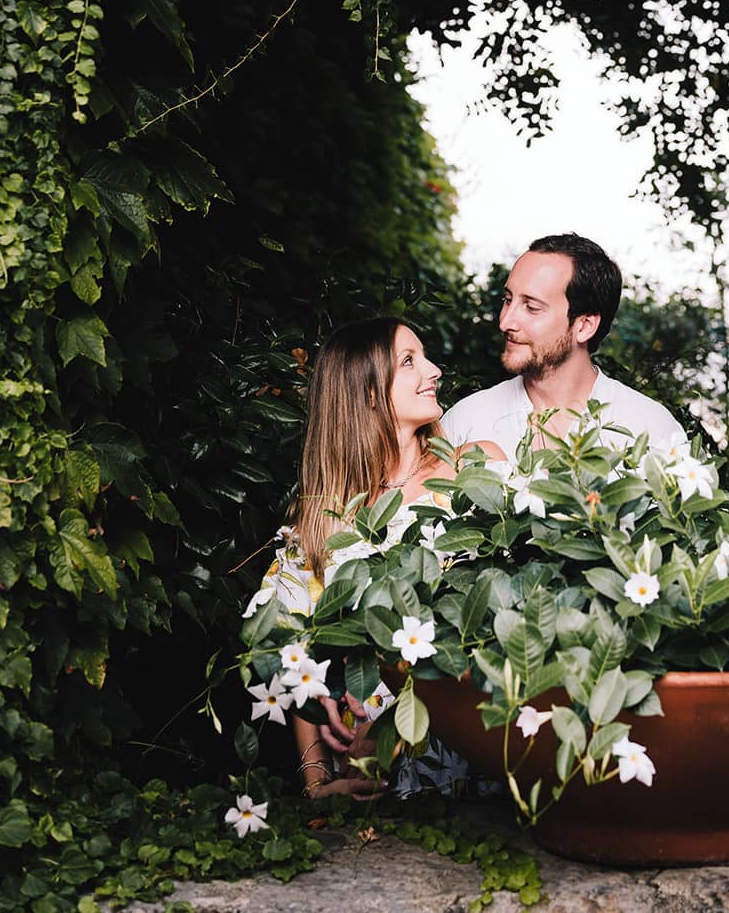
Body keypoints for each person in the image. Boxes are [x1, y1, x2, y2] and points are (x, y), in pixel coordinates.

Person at [253, 317, 503, 798]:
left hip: (469, 765)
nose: (433, 371)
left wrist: (394, 725)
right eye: (410, 361)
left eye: (424, 356)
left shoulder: (475, 468)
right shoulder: (322, 517)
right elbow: (289, 646)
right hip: (371, 790)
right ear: (368, 395)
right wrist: (319, 785)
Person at [441, 232, 688, 454]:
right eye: (508, 299)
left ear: (584, 326)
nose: (505, 321)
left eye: (532, 307)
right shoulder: (464, 423)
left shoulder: (653, 431)